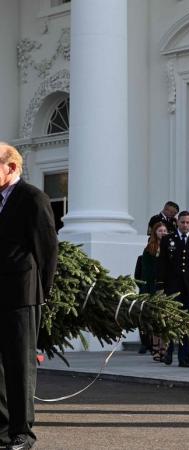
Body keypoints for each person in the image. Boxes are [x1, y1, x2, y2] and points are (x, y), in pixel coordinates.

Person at [0, 142, 58, 450]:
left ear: (11, 167)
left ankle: (23, 433)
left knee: (20, 364)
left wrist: (42, 292)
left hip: (22, 294)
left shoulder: (33, 198)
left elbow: (47, 250)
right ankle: (2, 428)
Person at [158, 211, 189, 367]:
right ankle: (168, 353)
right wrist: (162, 288)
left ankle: (185, 358)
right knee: (172, 322)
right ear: (177, 222)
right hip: (173, 288)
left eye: (188, 222)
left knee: (187, 323)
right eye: (182, 222)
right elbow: (162, 265)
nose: (185, 225)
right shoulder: (167, 240)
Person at [137, 222, 168, 361]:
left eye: (165, 230)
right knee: (156, 320)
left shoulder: (170, 247)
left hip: (167, 288)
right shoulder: (149, 249)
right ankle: (156, 348)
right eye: (160, 230)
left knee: (165, 320)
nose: (163, 233)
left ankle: (164, 347)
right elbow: (146, 273)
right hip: (154, 288)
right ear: (155, 232)